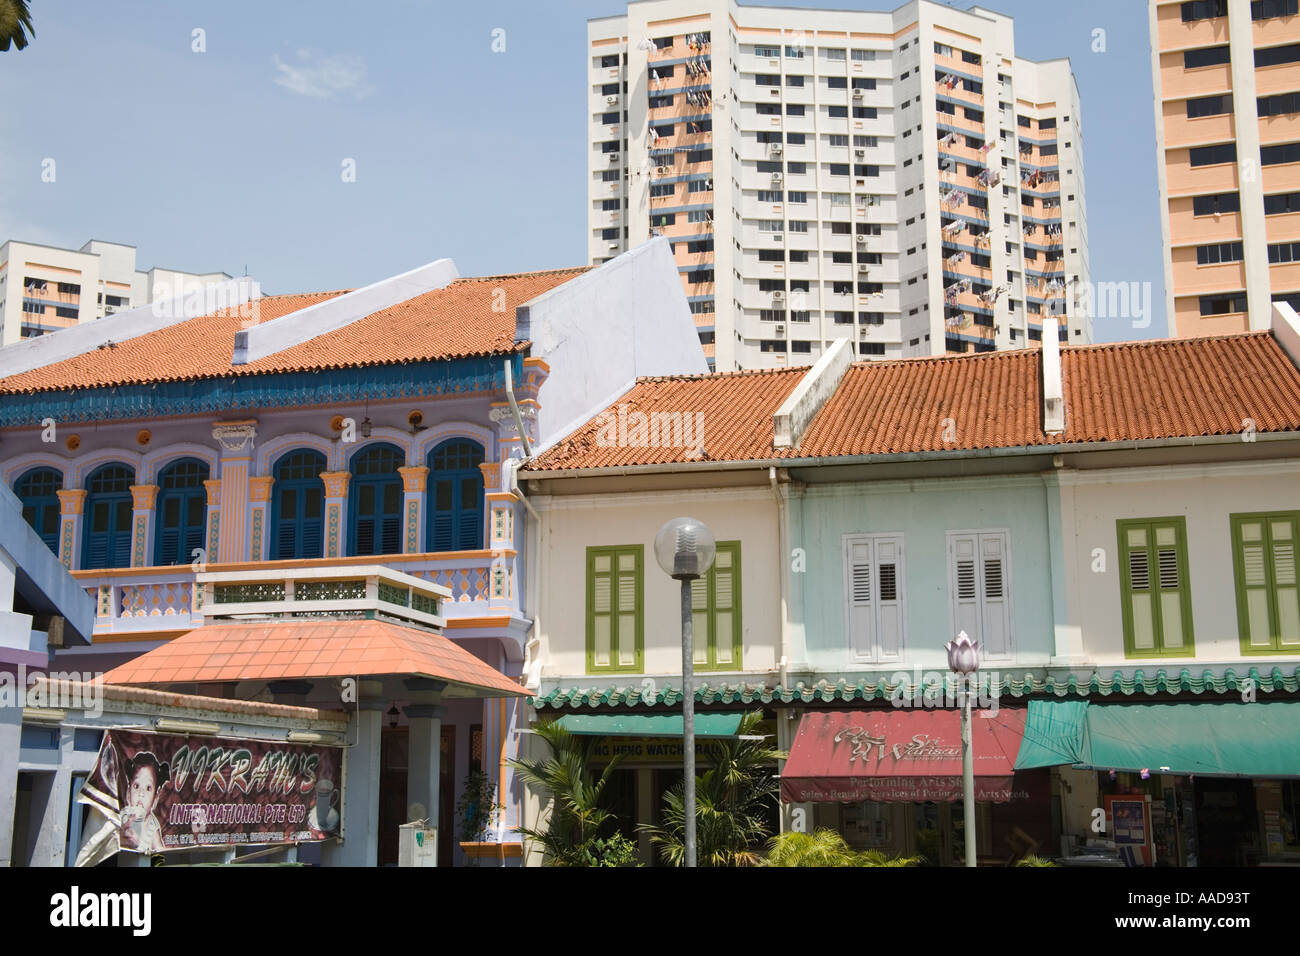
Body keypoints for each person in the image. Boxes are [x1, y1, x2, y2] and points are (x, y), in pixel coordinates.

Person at [120, 752, 169, 854]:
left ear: (155, 799)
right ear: (129, 793)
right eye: (136, 786)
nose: (141, 794)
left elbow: (160, 852)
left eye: (148, 788)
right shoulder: (124, 815)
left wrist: (158, 862)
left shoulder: (152, 826)